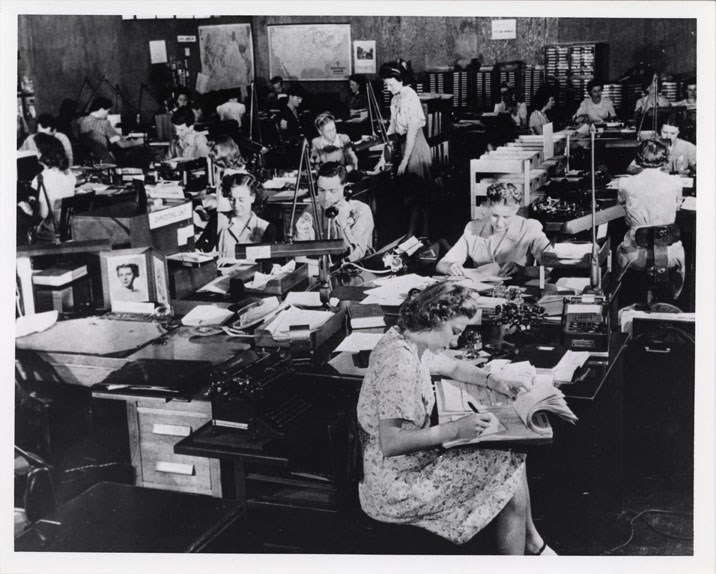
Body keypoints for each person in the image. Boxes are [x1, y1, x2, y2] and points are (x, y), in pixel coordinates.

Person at [357, 282, 554, 554]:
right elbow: (391, 443)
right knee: (506, 462)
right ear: (435, 319)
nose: (455, 341)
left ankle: (532, 542)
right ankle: (532, 546)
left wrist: (494, 380)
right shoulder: (398, 362)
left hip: (409, 464)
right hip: (395, 484)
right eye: (454, 331)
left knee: (509, 455)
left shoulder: (410, 340)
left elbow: (454, 367)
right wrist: (455, 430)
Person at [436, 182, 550, 279]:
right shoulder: (473, 228)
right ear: (487, 207)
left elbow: (550, 268)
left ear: (516, 210)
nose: (499, 223)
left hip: (517, 293)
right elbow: (442, 264)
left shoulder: (530, 228)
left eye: (506, 217)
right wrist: (450, 266)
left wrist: (522, 270)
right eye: (494, 215)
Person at [617, 139, 685, 298]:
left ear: (639, 159)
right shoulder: (675, 182)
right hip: (670, 253)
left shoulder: (626, 184)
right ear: (665, 159)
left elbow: (622, 208)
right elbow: (677, 207)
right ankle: (673, 298)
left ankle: (621, 298)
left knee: (616, 247)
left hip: (636, 254)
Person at [374, 61, 433, 237]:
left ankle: (421, 236)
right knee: (412, 195)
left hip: (415, 146)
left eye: (390, 84)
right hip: (404, 144)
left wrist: (406, 159)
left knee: (419, 195)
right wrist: (382, 159)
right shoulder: (395, 99)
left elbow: (413, 130)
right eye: (386, 85)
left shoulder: (410, 96)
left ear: (399, 79)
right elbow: (391, 132)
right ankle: (413, 236)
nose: (389, 88)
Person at [294, 162, 374, 262]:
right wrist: (301, 237)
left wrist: (343, 225)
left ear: (346, 189)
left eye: (332, 191)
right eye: (321, 190)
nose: (326, 197)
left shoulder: (361, 211)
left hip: (358, 272)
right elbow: (300, 260)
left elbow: (354, 255)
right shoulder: (311, 211)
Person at [216, 172, 276, 259]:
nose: (236, 205)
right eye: (232, 199)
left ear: (253, 197)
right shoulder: (218, 220)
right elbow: (201, 253)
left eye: (241, 200)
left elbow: (266, 265)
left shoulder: (266, 228)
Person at [30, 133, 77, 237]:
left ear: (43, 154)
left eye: (37, 150)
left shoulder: (42, 178)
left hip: (50, 232)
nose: (36, 153)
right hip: (70, 228)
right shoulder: (69, 174)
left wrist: (27, 208)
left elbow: (43, 214)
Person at [77, 96, 142, 162]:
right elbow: (122, 145)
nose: (107, 115)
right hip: (104, 161)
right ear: (101, 109)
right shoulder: (104, 123)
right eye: (108, 111)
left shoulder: (80, 121)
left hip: (88, 161)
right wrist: (140, 141)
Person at [626, 114, 696, 175]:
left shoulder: (687, 147)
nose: (668, 136)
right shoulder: (650, 144)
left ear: (678, 132)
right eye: (665, 132)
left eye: (672, 133)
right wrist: (649, 171)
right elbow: (630, 168)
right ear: (660, 130)